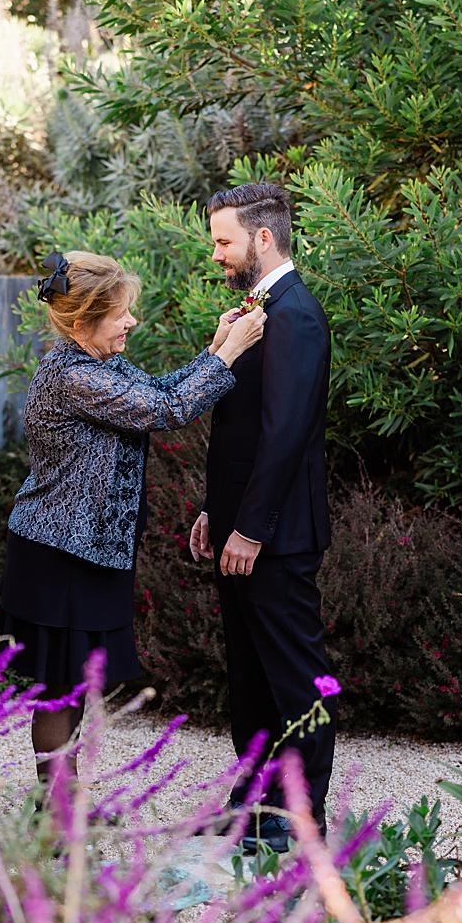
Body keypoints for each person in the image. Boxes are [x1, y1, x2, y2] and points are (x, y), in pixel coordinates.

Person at [0, 250, 265, 785]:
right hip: (59, 554)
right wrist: (230, 354)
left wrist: (215, 348)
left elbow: (160, 393)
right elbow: (165, 412)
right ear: (81, 323)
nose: (131, 323)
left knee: (74, 686)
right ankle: (58, 819)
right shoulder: (72, 375)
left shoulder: (98, 363)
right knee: (60, 689)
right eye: (119, 314)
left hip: (88, 550)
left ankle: (63, 807)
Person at [188, 182, 335, 854]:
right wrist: (217, 511)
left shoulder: (296, 314)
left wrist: (250, 528)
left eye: (223, 240)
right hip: (238, 528)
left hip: (274, 538)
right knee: (247, 679)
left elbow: (285, 434)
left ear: (263, 238)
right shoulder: (257, 307)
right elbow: (242, 431)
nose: (216, 253)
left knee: (294, 679)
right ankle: (255, 806)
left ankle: (301, 819)